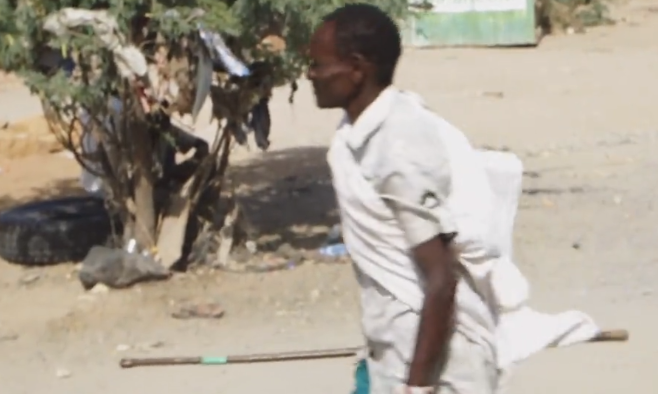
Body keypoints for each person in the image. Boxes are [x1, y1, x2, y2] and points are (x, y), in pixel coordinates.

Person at [307, 3, 501, 394]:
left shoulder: (397, 145)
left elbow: (441, 277)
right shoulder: (358, 135)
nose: (311, 76)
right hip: (394, 352)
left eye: (318, 65)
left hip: (436, 367)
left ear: (357, 68)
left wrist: (417, 387)